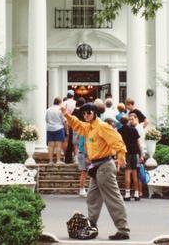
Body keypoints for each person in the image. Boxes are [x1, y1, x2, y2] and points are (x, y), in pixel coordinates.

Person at [60, 102, 130, 240]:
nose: (86, 115)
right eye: (84, 113)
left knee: (112, 198)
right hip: (96, 167)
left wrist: (121, 156)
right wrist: (66, 114)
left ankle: (123, 230)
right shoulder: (89, 127)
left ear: (94, 113)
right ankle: (91, 226)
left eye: (89, 113)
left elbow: (117, 141)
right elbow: (77, 125)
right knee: (92, 197)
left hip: (105, 165)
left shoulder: (102, 126)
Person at [120, 114, 143, 201]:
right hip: (135, 153)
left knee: (127, 173)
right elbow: (138, 143)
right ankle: (136, 194)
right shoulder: (134, 130)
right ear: (128, 121)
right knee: (135, 173)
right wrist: (141, 154)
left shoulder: (119, 131)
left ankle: (127, 194)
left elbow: (119, 143)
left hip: (126, 153)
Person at [45, 97, 66, 165]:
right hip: (59, 128)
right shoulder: (60, 110)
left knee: (50, 146)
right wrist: (67, 130)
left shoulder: (48, 110)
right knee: (58, 146)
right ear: (60, 102)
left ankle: (50, 161)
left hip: (50, 129)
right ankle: (58, 160)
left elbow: (46, 120)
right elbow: (64, 120)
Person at [76, 132, 88, 197]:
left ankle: (82, 189)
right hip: (84, 153)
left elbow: (77, 140)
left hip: (81, 152)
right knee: (84, 172)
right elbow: (86, 144)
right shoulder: (85, 133)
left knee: (84, 172)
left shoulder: (80, 133)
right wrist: (87, 156)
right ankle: (82, 189)